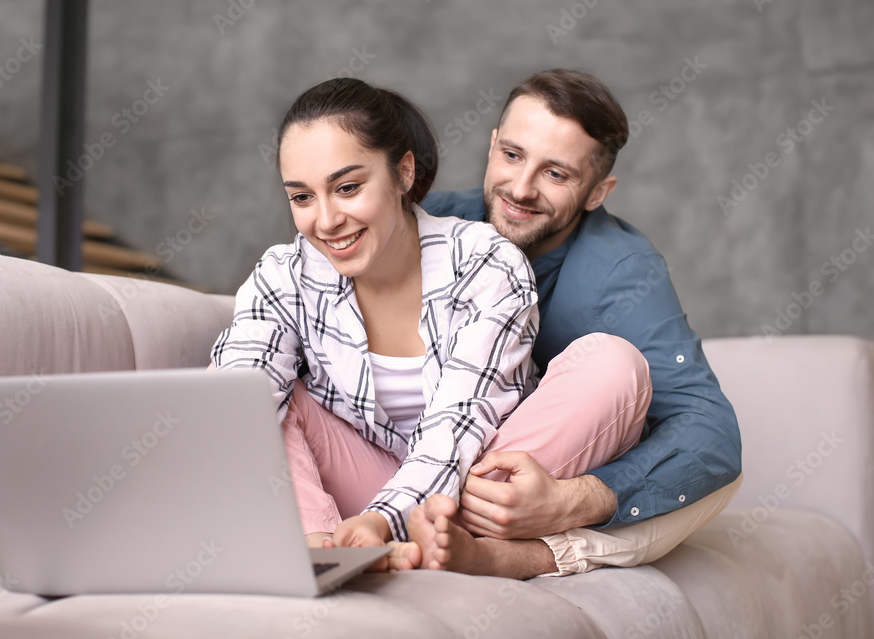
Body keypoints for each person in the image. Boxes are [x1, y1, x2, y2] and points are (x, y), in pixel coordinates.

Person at [211, 77, 652, 563]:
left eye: (348, 188)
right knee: (254, 397)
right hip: (350, 503)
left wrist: (384, 519)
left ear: (403, 173)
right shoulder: (281, 275)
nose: (326, 220)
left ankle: (421, 544)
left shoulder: (487, 264)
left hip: (474, 483)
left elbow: (458, 426)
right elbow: (229, 404)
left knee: (614, 365)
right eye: (302, 197)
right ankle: (324, 555)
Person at [413, 69, 743, 576]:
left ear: (597, 191)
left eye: (556, 174)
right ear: (492, 146)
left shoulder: (621, 271)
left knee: (710, 482)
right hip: (411, 457)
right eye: (513, 155)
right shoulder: (427, 225)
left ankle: (514, 553)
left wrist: (569, 501)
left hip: (510, 477)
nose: (520, 189)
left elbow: (710, 432)